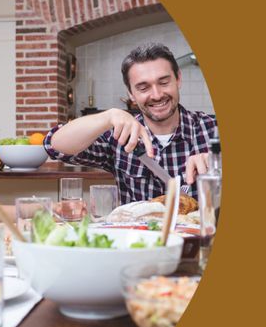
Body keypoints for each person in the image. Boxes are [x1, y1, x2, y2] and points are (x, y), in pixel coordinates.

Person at [43, 42, 218, 205]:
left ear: (178, 79)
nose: (157, 95)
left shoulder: (213, 129)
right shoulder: (119, 137)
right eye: (143, 88)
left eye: (164, 82)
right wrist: (108, 116)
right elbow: (55, 145)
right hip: (138, 230)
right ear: (131, 94)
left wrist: (218, 162)